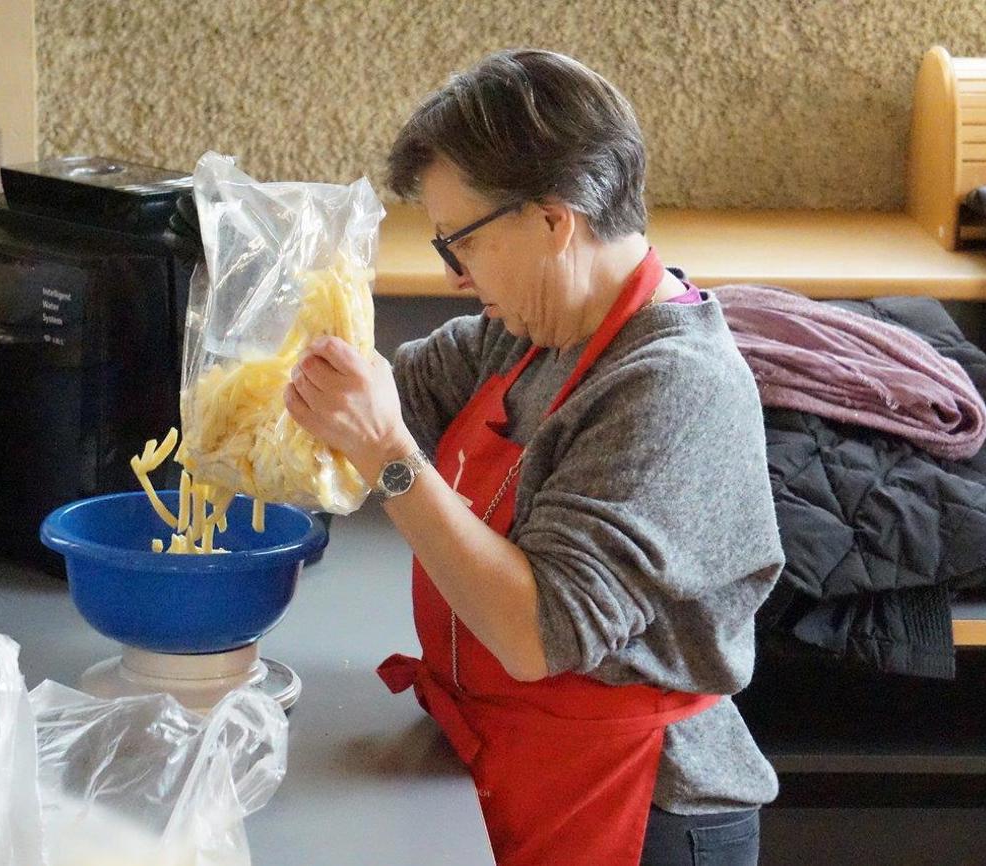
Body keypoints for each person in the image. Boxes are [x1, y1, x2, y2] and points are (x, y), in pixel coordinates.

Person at [284, 48, 784, 866]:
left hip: (643, 813)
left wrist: (388, 454)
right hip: (511, 764)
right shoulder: (522, 332)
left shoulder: (672, 386)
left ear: (554, 221)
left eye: (461, 245)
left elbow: (536, 633)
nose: (453, 278)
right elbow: (372, 399)